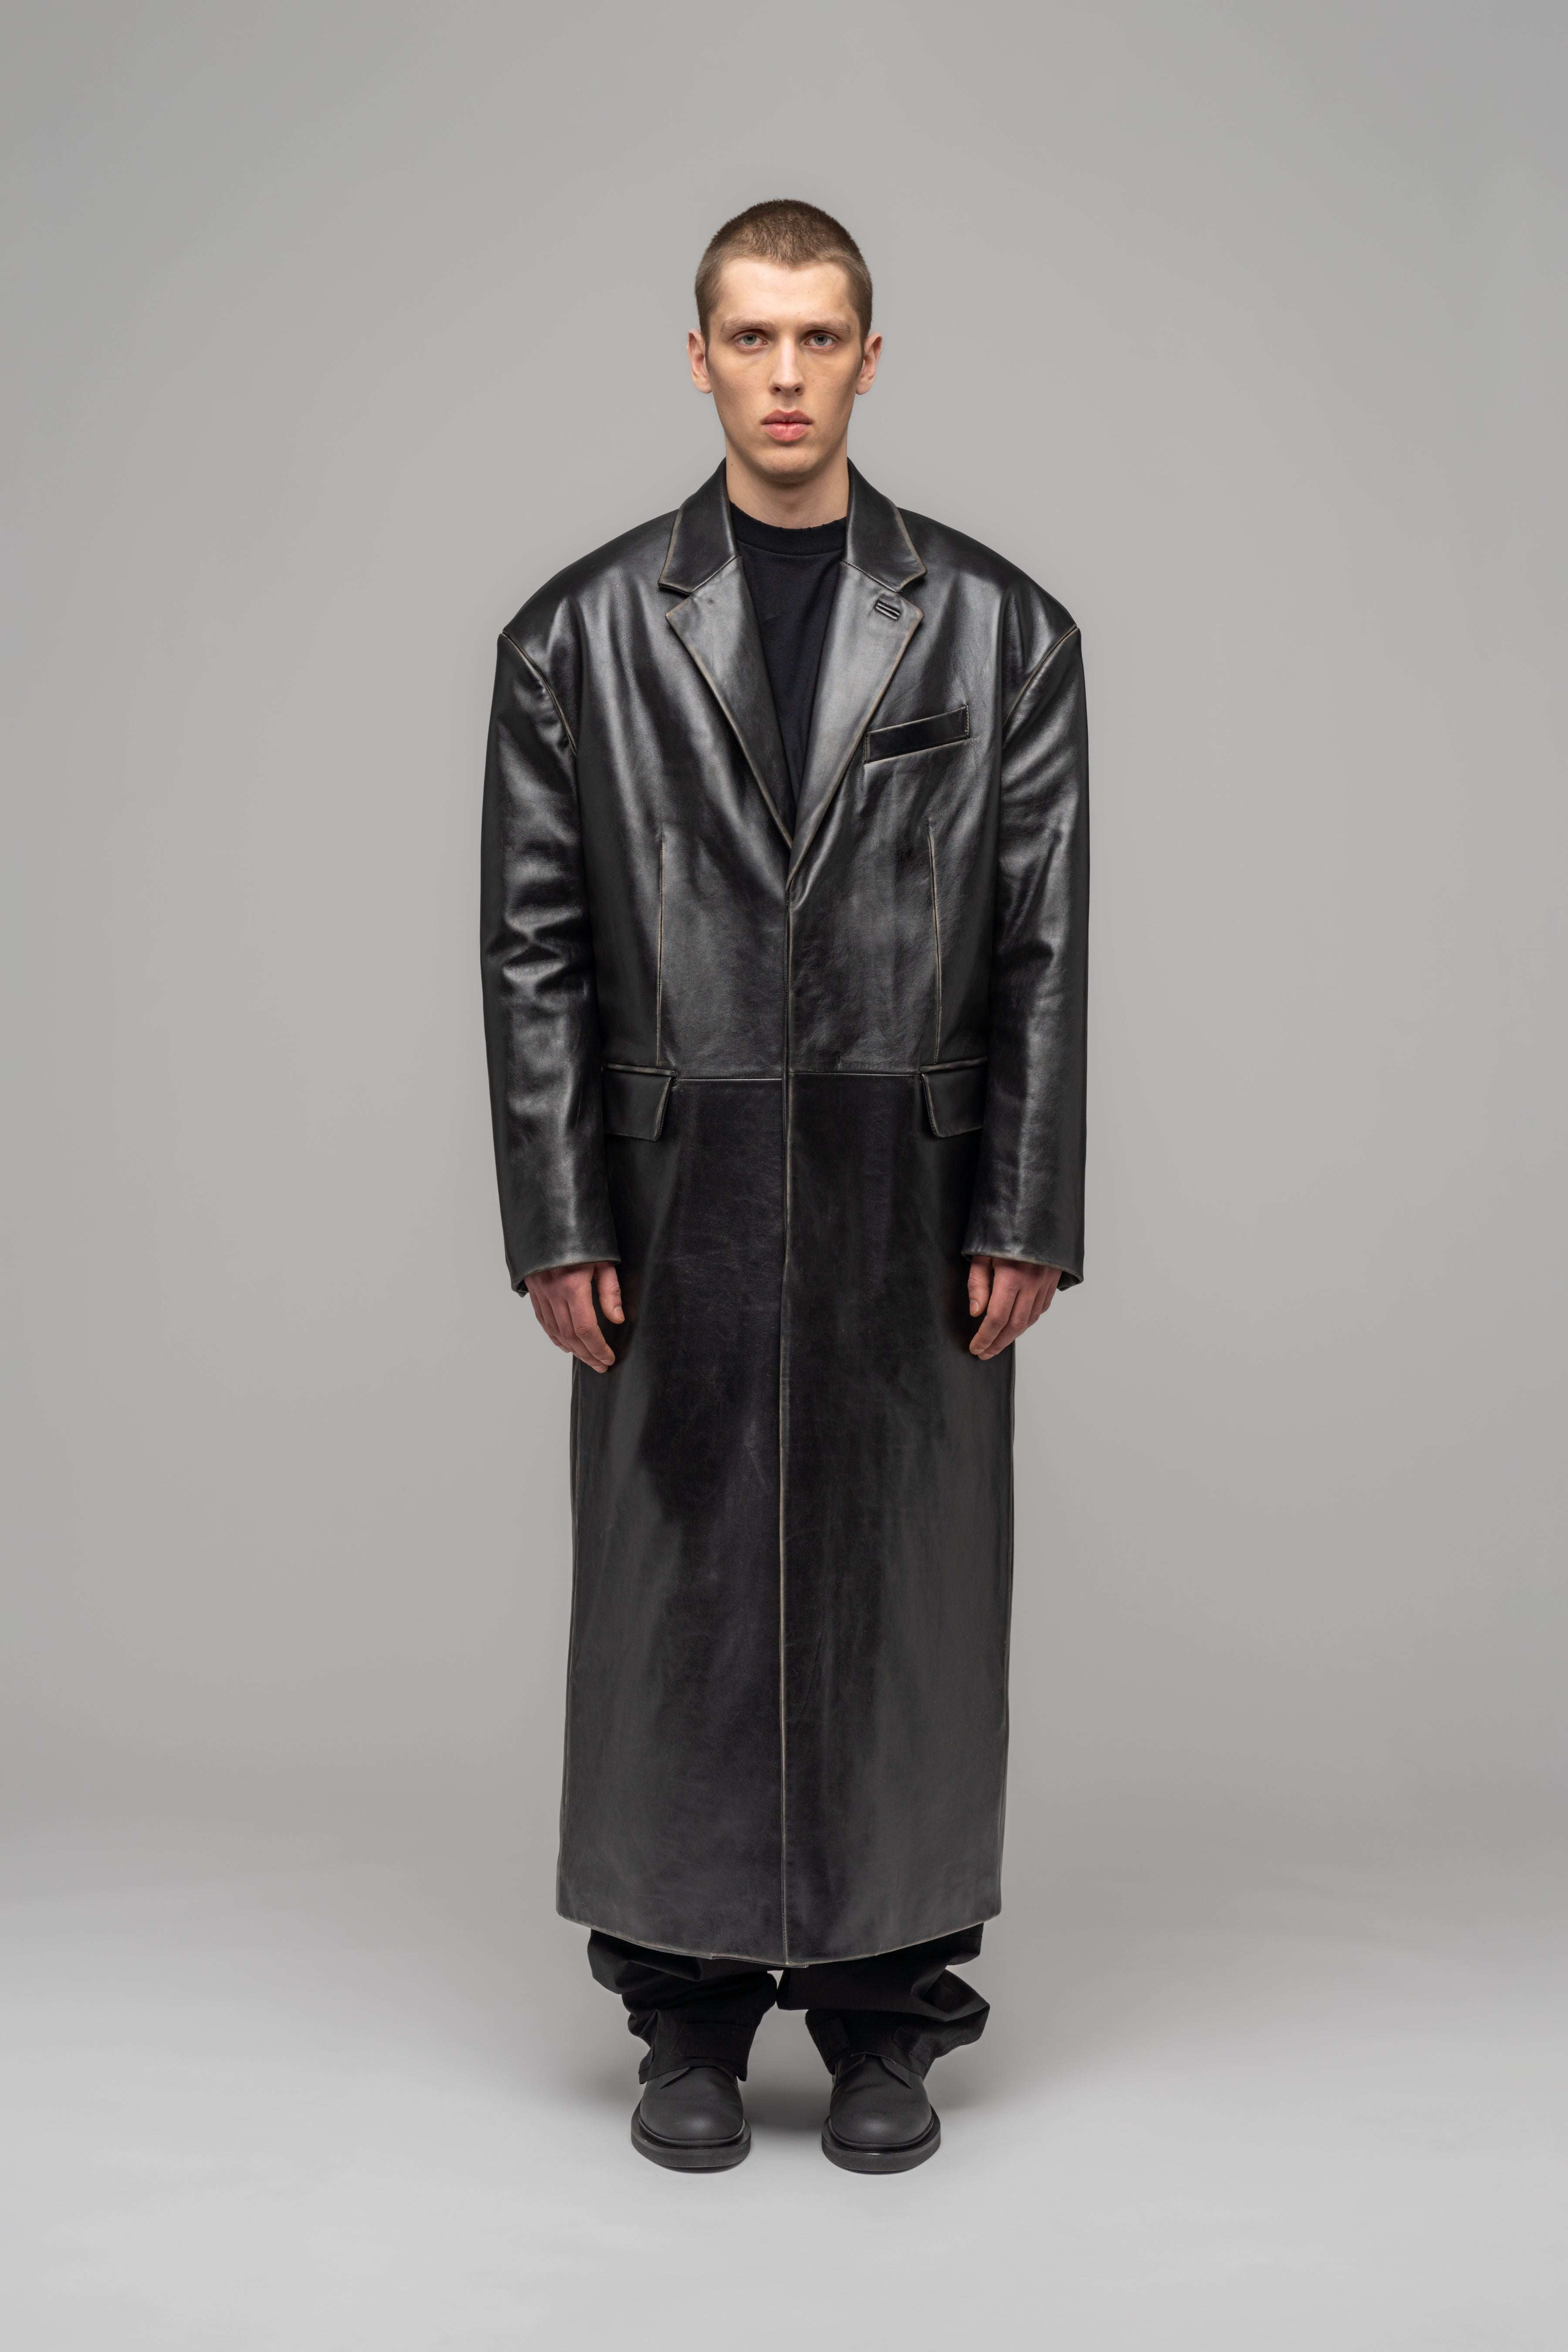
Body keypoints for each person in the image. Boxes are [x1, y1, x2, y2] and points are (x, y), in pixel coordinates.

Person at [480, 199, 1088, 2173]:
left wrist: (1025, 1205)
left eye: (821, 337)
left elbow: (1042, 944)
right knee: (676, 1605)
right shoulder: (577, 635)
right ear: (700, 359)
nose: (787, 374)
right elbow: (536, 947)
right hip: (676, 1193)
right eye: (752, 337)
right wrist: (559, 1217)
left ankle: (890, 2017)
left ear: (870, 359)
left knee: (904, 1600)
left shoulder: (1002, 629)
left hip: (912, 1191)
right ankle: (685, 2016)